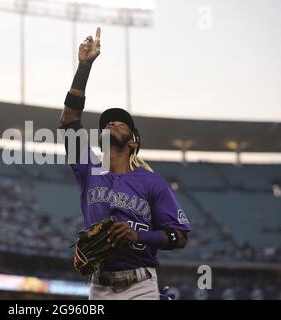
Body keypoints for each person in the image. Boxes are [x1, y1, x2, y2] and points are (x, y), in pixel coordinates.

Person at [59, 27, 191, 300]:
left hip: (140, 286)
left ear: (132, 142)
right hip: (99, 287)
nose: (110, 123)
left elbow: (179, 237)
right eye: (107, 122)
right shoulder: (89, 170)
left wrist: (139, 237)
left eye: (119, 123)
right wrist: (84, 67)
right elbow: (69, 122)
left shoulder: (151, 182)